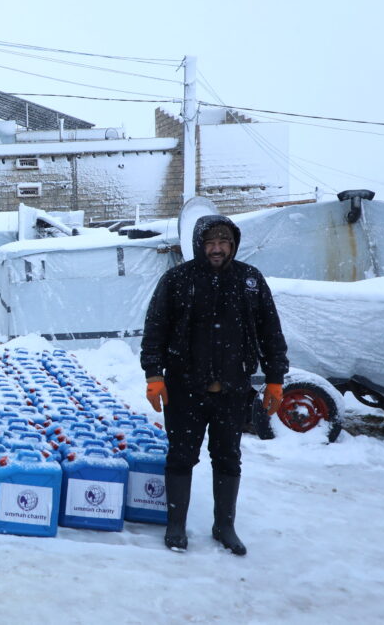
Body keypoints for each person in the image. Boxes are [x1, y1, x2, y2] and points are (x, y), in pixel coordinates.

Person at [140, 215, 288, 556]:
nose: (217, 248)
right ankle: (176, 525)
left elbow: (271, 332)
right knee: (181, 457)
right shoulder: (178, 279)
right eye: (210, 242)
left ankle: (224, 526)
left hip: (233, 390)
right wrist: (153, 375)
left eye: (224, 242)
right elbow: (156, 329)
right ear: (199, 245)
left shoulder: (250, 280)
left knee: (227, 458)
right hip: (184, 388)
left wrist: (275, 379)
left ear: (233, 244)